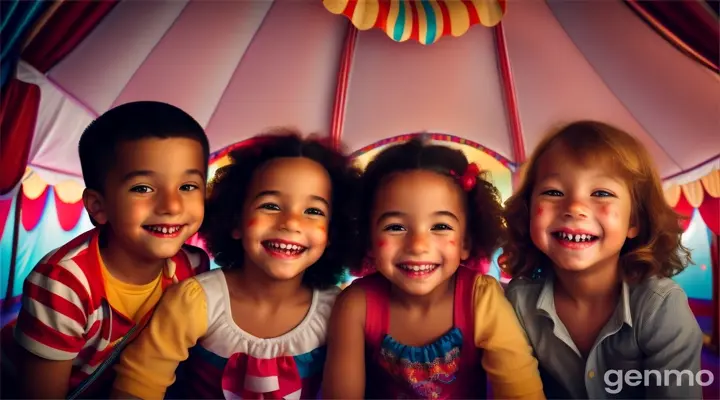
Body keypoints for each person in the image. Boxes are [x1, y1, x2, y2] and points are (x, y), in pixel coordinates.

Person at [111, 130, 356, 399]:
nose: (291, 223)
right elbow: (140, 384)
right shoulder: (196, 301)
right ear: (236, 221)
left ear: (333, 233)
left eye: (313, 211)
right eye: (271, 206)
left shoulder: (339, 311)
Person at [0, 101, 211, 398]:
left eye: (188, 186)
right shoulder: (64, 284)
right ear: (99, 207)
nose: (172, 206)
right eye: (143, 188)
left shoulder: (193, 266)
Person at [322, 138, 545, 399]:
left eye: (440, 226)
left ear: (466, 242)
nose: (418, 246)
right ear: (368, 240)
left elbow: (521, 389)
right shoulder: (355, 305)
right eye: (396, 227)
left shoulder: (481, 298)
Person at [503, 120, 704, 399]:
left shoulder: (660, 307)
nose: (574, 208)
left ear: (634, 220)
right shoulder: (517, 303)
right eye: (553, 192)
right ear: (527, 211)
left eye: (601, 193)